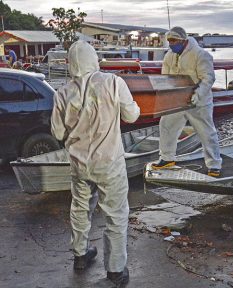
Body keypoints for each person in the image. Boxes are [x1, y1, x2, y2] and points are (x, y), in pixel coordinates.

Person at [51, 40, 140, 287]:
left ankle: (80, 255)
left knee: (80, 208)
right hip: (109, 163)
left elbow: (57, 133)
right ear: (94, 59)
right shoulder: (113, 83)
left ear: (70, 63)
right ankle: (115, 271)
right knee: (115, 215)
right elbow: (132, 115)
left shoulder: (62, 92)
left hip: (80, 164)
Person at [152, 26, 222, 177]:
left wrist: (198, 94)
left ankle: (214, 165)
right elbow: (166, 78)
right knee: (166, 126)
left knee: (206, 133)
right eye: (169, 40)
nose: (171, 43)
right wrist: (164, 95)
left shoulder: (201, 55)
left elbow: (208, 78)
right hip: (176, 101)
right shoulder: (169, 56)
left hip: (199, 102)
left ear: (183, 40)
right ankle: (167, 158)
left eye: (174, 40)